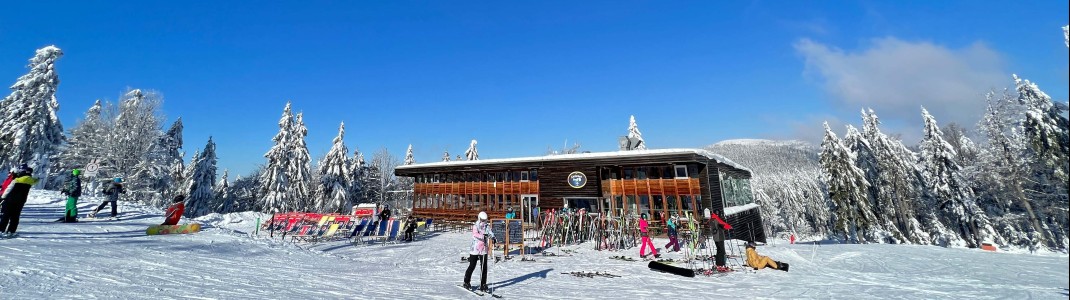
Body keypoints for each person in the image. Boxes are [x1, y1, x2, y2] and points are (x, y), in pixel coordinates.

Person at [463, 211, 495, 293]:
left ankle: (483, 284)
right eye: (482, 219)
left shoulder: (487, 226)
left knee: (484, 267)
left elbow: (490, 232)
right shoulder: (475, 226)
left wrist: (493, 237)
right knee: (472, 265)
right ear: (479, 218)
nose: (484, 221)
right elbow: (475, 234)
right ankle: (466, 282)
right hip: (475, 248)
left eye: (485, 220)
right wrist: (483, 236)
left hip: (484, 249)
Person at [0, 166, 36, 238]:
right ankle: (11, 231)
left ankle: (1, 230)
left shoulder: (17, 180)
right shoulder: (31, 181)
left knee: (6, 215)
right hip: (21, 201)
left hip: (10, 199)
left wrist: (2, 197)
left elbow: (8, 189)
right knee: (15, 216)